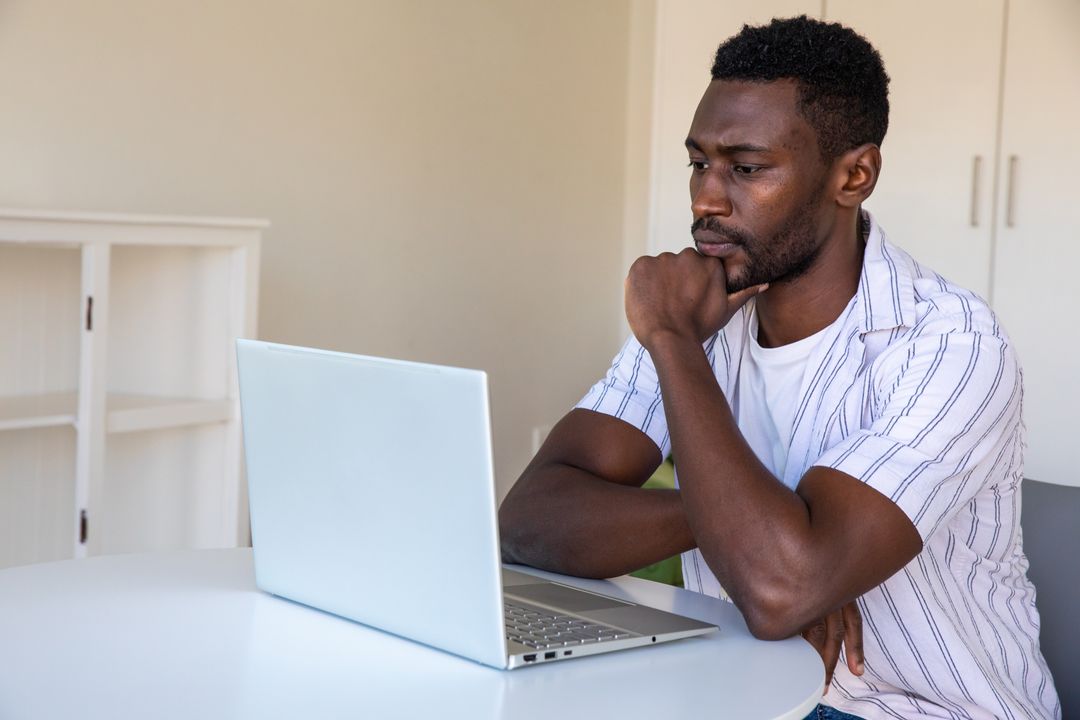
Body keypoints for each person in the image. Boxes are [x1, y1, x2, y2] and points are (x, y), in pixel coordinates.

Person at [498, 15, 1060, 720]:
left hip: (914, 708)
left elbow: (776, 592)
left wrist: (671, 340)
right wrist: (741, 530)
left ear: (853, 176)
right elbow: (526, 520)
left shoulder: (951, 343)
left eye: (746, 167)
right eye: (699, 162)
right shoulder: (701, 311)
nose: (705, 198)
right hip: (737, 691)